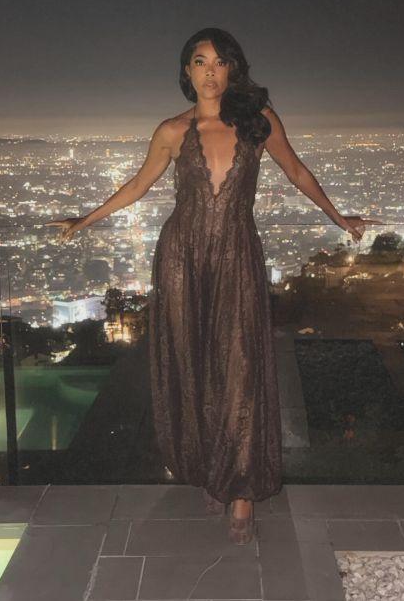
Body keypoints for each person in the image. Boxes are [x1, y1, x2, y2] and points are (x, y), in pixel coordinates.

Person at [48, 27, 378, 543]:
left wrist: (339, 217)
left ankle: (242, 487)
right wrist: (82, 221)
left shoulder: (258, 121)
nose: (208, 71)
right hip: (181, 256)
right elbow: (139, 185)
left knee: (239, 365)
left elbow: (294, 169)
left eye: (219, 62)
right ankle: (212, 469)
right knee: (195, 364)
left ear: (233, 70)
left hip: (237, 255)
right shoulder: (172, 131)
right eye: (199, 61)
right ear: (186, 71)